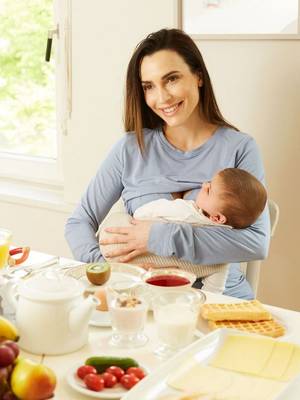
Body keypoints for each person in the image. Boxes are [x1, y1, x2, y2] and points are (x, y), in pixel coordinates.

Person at [65, 28, 270, 299]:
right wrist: (108, 271)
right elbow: (79, 222)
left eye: (171, 79)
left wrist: (158, 236)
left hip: (223, 301)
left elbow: (256, 243)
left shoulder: (240, 148)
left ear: (198, 76)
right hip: (144, 300)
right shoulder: (130, 148)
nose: (161, 98)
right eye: (148, 86)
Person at [133, 168, 267, 229]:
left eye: (209, 190)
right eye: (209, 182)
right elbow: (219, 274)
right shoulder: (223, 237)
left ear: (218, 218)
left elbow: (144, 212)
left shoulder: (185, 210)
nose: (203, 185)